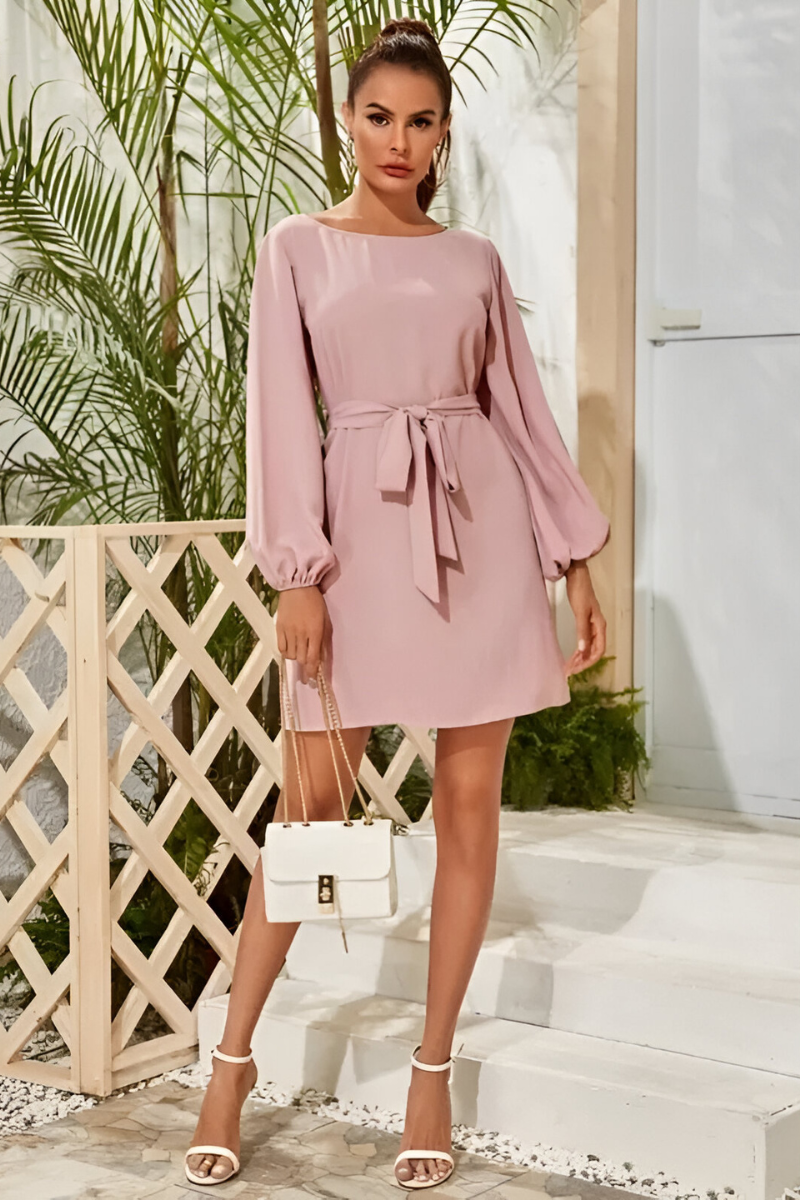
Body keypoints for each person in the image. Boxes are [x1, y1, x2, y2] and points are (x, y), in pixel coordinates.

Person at [184, 15, 610, 1193]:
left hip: (481, 542)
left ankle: (430, 1073)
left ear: (440, 136)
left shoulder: (471, 259)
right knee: (308, 811)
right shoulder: (298, 247)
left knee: (467, 808)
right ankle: (230, 1063)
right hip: (358, 552)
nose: (397, 140)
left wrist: (572, 555)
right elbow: (280, 413)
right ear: (347, 120)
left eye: (420, 122)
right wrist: (297, 573)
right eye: (378, 116)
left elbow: (518, 411)